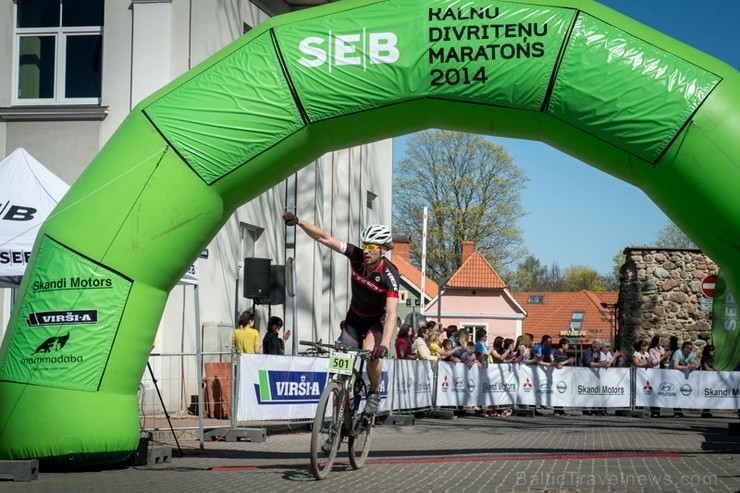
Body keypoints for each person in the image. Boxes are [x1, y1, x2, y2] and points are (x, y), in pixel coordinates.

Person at [283, 212, 399, 415]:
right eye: (365, 245)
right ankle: (337, 421)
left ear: (383, 250)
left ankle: (373, 393)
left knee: (372, 356)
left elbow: (391, 314)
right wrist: (299, 221)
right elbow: (324, 237)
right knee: (340, 372)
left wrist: (384, 345)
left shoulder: (389, 274)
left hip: (374, 323)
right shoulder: (356, 255)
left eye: (372, 247)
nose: (366, 251)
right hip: (354, 319)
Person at [670, 341, 697, 417]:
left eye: (691, 348)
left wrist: (693, 366)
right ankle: (677, 411)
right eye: (689, 348)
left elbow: (693, 363)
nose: (691, 350)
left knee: (681, 391)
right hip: (673, 374)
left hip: (682, 374)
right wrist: (687, 367)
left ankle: (679, 409)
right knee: (675, 392)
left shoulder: (691, 354)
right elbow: (675, 365)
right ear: (685, 348)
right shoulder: (678, 353)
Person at [700, 345, 716, 418]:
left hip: (710, 379)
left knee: (710, 395)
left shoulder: (709, 359)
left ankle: (706, 411)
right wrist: (714, 370)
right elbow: (706, 368)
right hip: (705, 379)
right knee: (708, 395)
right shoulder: (704, 358)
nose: (713, 352)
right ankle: (705, 411)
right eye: (711, 350)